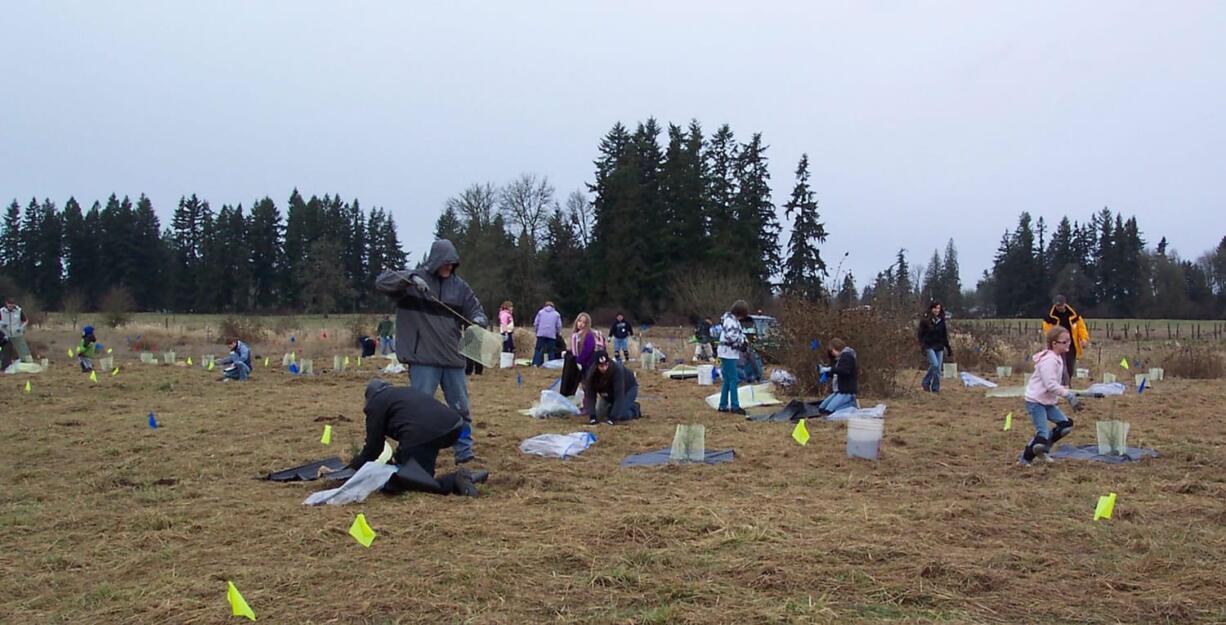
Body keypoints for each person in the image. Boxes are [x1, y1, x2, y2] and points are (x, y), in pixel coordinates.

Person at [376, 239, 488, 464]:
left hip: (453, 358)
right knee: (420, 411)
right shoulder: (411, 283)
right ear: (435, 261)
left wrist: (478, 320)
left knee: (461, 409)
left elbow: (477, 310)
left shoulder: (460, 287)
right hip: (423, 359)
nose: (449, 267)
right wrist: (411, 279)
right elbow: (382, 281)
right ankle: (415, 455)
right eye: (445, 263)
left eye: (452, 264)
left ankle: (464, 452)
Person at [337, 379, 484, 497]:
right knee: (418, 470)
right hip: (453, 427)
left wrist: (353, 468)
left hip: (424, 433)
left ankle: (455, 480)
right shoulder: (401, 393)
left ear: (369, 397)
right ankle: (469, 478)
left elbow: (373, 448)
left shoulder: (376, 403)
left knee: (412, 480)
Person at [1020, 326, 1083, 465]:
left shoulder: (1058, 358)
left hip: (1048, 402)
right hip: (1036, 402)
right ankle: (1025, 458)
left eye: (1069, 341)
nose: (1068, 344)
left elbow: (1056, 383)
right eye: (1064, 342)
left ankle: (1042, 450)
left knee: (1065, 426)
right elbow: (1050, 385)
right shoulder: (1049, 360)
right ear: (1054, 343)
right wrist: (1069, 396)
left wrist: (1069, 392)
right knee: (1041, 437)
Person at [1042, 295, 1091, 385]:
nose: (1059, 308)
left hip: (1071, 345)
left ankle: (1067, 384)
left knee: (1069, 367)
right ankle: (1059, 386)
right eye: (1057, 306)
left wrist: (1084, 339)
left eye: (1060, 305)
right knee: (1059, 366)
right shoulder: (1049, 317)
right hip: (1057, 346)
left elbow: (1081, 328)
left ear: (1065, 304)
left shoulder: (1074, 315)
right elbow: (1047, 331)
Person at [582, 350, 640, 425]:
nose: (604, 368)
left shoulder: (617, 370)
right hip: (608, 392)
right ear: (596, 366)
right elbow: (590, 396)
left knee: (621, 415)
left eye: (606, 365)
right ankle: (614, 409)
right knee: (600, 415)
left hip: (628, 389)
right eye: (601, 366)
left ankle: (635, 409)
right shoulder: (591, 375)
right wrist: (592, 416)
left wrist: (612, 419)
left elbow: (619, 396)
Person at [717, 300, 751, 415]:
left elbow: (740, 334)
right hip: (728, 353)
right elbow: (732, 337)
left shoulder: (732, 320)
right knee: (733, 379)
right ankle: (735, 406)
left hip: (728, 353)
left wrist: (745, 341)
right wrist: (742, 344)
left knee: (727, 380)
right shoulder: (730, 322)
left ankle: (723, 405)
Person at [561, 312, 606, 397]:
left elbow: (588, 349)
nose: (581, 324)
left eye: (584, 322)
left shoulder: (588, 335)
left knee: (588, 386)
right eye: (579, 321)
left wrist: (578, 360)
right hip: (585, 365)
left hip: (590, 364)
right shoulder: (577, 335)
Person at [917, 301, 953, 393]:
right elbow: (920, 335)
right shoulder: (925, 321)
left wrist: (948, 348)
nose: (937, 310)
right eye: (935, 308)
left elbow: (944, 336)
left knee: (938, 369)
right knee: (935, 364)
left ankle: (935, 389)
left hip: (939, 347)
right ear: (931, 309)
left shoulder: (942, 322)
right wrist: (922, 346)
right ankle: (925, 382)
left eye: (938, 308)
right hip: (929, 346)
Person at [817, 338, 858, 415]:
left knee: (829, 412)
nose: (832, 354)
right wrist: (827, 374)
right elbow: (837, 373)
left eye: (832, 351)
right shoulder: (839, 359)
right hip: (839, 390)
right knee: (821, 409)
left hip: (847, 391)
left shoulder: (848, 356)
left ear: (836, 348)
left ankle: (851, 405)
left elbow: (844, 371)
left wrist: (830, 369)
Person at [0, 299, 31, 363]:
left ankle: (26, 362)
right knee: (5, 351)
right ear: (6, 304)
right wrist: (1, 324)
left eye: (12, 306)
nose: (10, 307)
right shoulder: (1, 311)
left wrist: (21, 327)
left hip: (17, 334)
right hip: (5, 334)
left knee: (22, 349)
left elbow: (25, 320)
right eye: (9, 306)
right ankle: (4, 364)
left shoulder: (19, 311)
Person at [531, 301, 562, 366]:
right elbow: (559, 325)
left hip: (541, 333)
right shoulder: (556, 314)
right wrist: (558, 332)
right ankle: (552, 364)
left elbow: (536, 323)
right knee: (551, 350)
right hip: (551, 335)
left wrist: (536, 331)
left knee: (538, 349)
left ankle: (536, 363)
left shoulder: (540, 312)